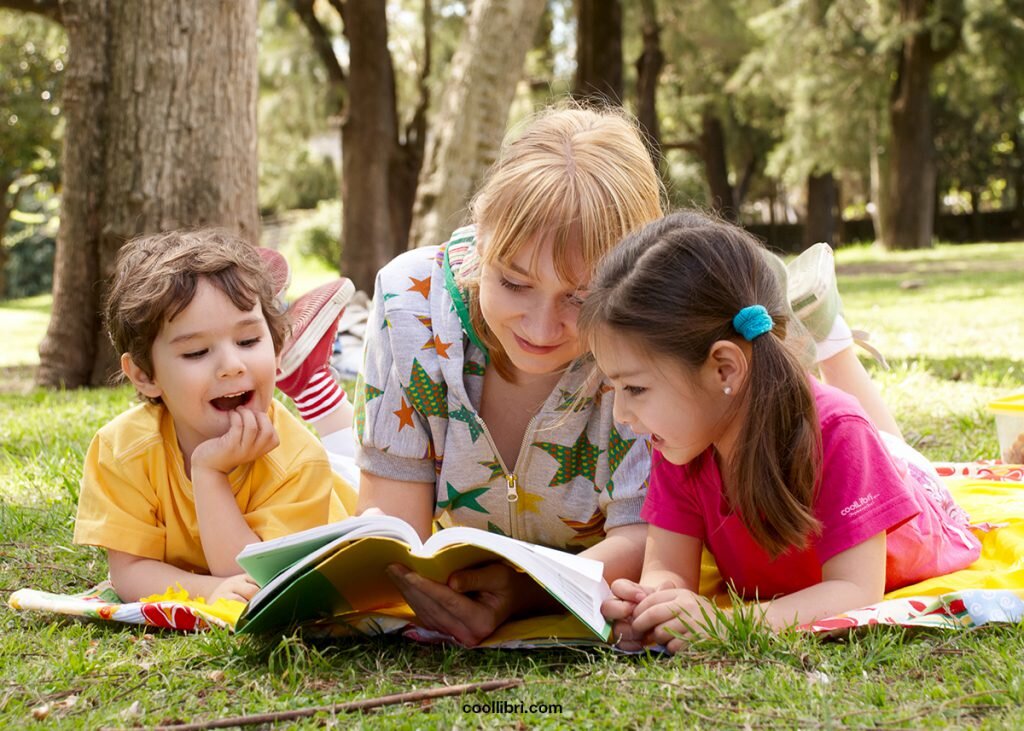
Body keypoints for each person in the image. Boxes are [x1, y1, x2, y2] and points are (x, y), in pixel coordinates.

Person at [580, 212, 982, 653]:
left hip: (915, 506)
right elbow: (667, 570)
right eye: (615, 388)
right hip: (793, 417)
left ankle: (831, 339)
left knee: (891, 449)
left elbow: (856, 589)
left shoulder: (840, 433)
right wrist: (653, 603)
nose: (620, 413)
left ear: (724, 368)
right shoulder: (679, 442)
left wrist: (728, 624)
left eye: (635, 388)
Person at [73, 230, 356, 603]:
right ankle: (309, 379)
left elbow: (256, 582)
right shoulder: (122, 450)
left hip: (350, 502)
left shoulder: (299, 461)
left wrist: (209, 474)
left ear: (273, 350)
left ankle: (313, 382)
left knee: (353, 464)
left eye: (248, 341)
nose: (231, 366)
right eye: (196, 352)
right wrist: (208, 590)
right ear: (144, 375)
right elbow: (128, 572)